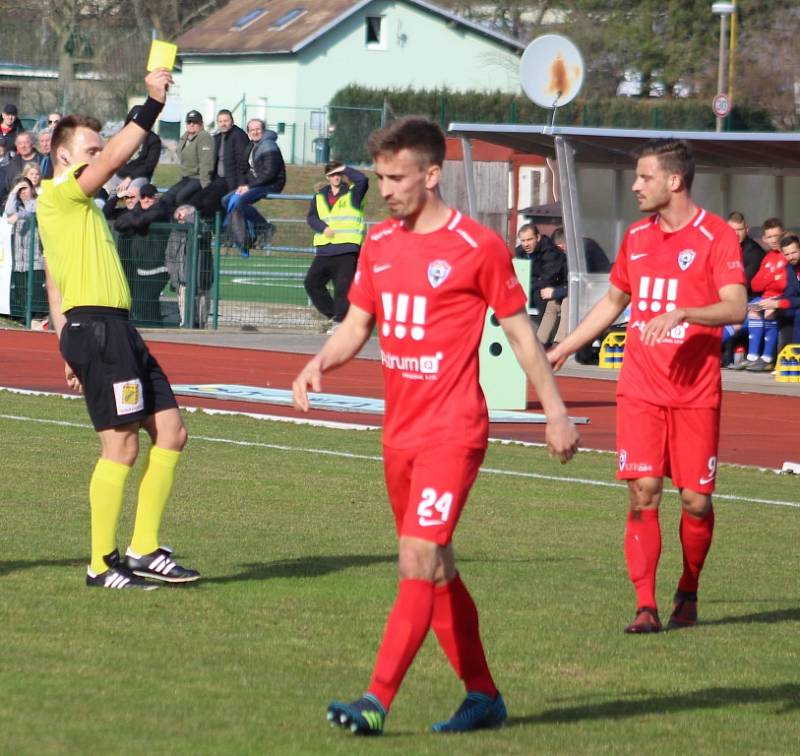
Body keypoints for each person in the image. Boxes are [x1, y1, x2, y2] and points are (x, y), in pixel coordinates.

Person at [292, 117, 579, 735]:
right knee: (438, 566)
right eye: (381, 177)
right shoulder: (381, 243)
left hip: (454, 429)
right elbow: (356, 325)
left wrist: (554, 410)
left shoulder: (476, 246)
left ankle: (375, 701)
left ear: (431, 174)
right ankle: (484, 696)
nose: (385, 189)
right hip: (399, 433)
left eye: (397, 177)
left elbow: (521, 333)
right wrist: (320, 361)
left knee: (417, 557)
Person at [548, 138, 746, 634]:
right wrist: (563, 347)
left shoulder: (716, 236)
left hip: (696, 392)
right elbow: (613, 302)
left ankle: (689, 588)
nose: (635, 186)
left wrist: (684, 313)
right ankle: (644, 606)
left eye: (644, 177)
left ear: (674, 181)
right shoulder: (636, 237)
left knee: (696, 500)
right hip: (639, 387)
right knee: (644, 492)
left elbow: (736, 307)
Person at [36, 68, 200, 590]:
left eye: (99, 146)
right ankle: (100, 564)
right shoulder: (59, 193)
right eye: (90, 148)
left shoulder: (83, 209)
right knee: (122, 447)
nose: (101, 154)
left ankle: (145, 548)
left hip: (115, 331)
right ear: (64, 156)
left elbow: (55, 286)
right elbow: (112, 162)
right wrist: (150, 105)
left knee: (171, 433)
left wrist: (66, 345)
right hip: (99, 331)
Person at [304, 160, 368, 331]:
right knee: (311, 283)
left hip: (346, 249)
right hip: (325, 250)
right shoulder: (318, 197)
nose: (336, 177)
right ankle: (336, 315)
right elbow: (311, 218)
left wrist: (345, 168)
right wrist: (323, 228)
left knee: (343, 288)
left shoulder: (353, 194)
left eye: (338, 174)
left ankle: (340, 322)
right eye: (332, 174)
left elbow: (363, 180)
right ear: (327, 177)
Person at [224, 118, 285, 257]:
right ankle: (243, 236)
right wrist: (243, 186)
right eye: (252, 130)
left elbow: (269, 173)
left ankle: (265, 227)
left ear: (263, 130)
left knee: (240, 202)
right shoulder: (251, 146)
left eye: (258, 129)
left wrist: (249, 186)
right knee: (226, 200)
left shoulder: (268, 145)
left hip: (271, 184)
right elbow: (243, 169)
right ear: (248, 132)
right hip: (256, 183)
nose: (255, 132)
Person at [733, 217, 787, 371]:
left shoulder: (787, 255)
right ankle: (753, 356)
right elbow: (755, 284)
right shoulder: (768, 257)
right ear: (764, 238)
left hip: (782, 297)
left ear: (783, 234)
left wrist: (768, 278)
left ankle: (767, 358)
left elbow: (784, 284)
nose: (773, 240)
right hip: (765, 296)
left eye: (776, 236)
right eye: (769, 237)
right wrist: (773, 276)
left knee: (769, 310)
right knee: (754, 309)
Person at [720, 211, 765, 366]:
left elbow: (742, 285)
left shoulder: (754, 252)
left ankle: (716, 352)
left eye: (739, 230)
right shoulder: (722, 248)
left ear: (746, 229)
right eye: (732, 230)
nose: (735, 234)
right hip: (727, 297)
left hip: (749, 300)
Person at [192, 109, 250, 220]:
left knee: (209, 202)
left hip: (231, 182)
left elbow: (243, 163)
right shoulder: (217, 138)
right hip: (217, 180)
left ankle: (218, 229)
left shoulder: (239, 136)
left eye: (226, 121)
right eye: (220, 121)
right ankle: (202, 231)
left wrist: (241, 185)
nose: (223, 124)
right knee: (195, 200)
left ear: (232, 121)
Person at [4, 174, 46, 320]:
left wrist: (19, 215)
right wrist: (14, 191)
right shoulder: (15, 205)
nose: (23, 192)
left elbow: (30, 210)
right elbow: (9, 211)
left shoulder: (38, 202)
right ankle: (23, 315)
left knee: (35, 291)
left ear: (32, 189)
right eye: (20, 189)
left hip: (35, 257)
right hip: (18, 259)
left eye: (25, 188)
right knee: (21, 290)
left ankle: (36, 316)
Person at [165, 204, 214, 328]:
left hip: (201, 281)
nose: (180, 220)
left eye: (182, 217)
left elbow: (202, 230)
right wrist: (173, 275)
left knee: (202, 321)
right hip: (182, 281)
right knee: (185, 321)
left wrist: (189, 218)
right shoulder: (175, 232)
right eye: (179, 217)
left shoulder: (203, 228)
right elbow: (169, 256)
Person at [160, 110, 214, 212]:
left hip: (198, 178)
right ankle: (172, 225)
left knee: (181, 198)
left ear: (201, 124)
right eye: (189, 122)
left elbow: (206, 163)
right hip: (186, 179)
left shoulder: (204, 137)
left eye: (195, 122)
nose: (192, 125)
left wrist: (205, 185)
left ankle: (188, 225)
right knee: (166, 198)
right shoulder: (184, 138)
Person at [105, 104, 162, 199]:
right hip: (118, 175)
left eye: (141, 123)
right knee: (105, 192)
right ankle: (108, 212)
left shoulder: (153, 140)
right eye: (135, 122)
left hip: (138, 177)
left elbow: (148, 166)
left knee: (132, 193)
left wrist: (129, 178)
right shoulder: (121, 136)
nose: (137, 126)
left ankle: (133, 212)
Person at [514, 222, 562, 324]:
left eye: (529, 240)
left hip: (554, 286)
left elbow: (548, 278)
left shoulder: (549, 251)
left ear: (538, 237)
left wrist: (527, 286)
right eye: (523, 241)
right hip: (531, 286)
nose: (526, 244)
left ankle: (541, 331)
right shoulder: (519, 252)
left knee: (539, 294)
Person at [537, 225, 569, 346]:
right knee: (552, 305)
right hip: (566, 291)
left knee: (567, 302)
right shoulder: (561, 259)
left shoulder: (574, 258)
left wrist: (555, 292)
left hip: (581, 294)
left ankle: (559, 342)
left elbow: (575, 285)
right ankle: (539, 342)